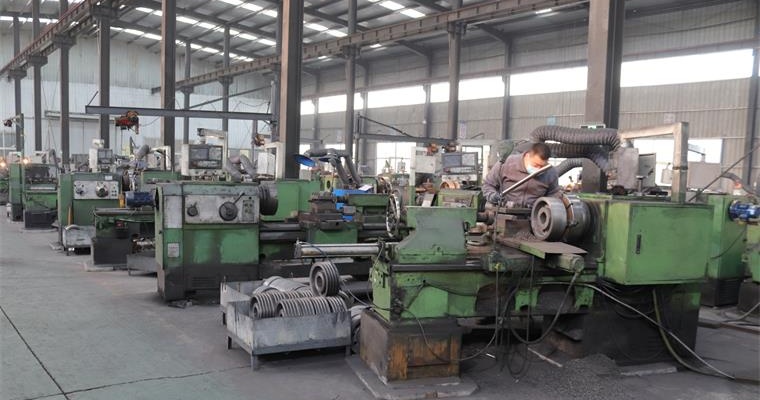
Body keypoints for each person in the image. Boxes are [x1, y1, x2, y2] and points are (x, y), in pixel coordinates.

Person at [482, 142, 560, 208]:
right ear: (528, 155)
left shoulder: (550, 172)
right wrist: (492, 195)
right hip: (504, 213)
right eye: (536, 165)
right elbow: (488, 184)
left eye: (542, 166)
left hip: (534, 217)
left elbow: (554, 194)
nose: (539, 169)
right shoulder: (506, 163)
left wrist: (547, 206)